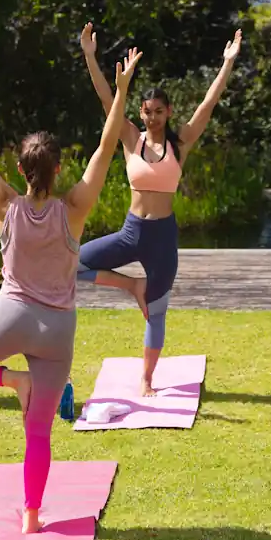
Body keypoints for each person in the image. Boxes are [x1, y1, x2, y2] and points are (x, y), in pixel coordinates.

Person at [0, 29, 140, 534]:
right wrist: (122, 89)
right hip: (57, 334)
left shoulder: (5, 205)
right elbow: (110, 143)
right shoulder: (75, 209)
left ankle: (10, 381)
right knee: (38, 432)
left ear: (20, 169)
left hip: (10, 322)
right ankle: (32, 517)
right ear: (60, 167)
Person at [74, 23, 243, 396]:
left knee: (158, 309)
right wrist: (89, 55)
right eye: (147, 111)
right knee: (69, 263)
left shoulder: (180, 142)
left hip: (162, 237)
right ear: (140, 111)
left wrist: (227, 63)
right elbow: (107, 101)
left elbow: (207, 105)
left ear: (168, 113)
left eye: (159, 112)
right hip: (131, 231)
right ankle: (132, 285)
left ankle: (147, 379)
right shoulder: (130, 137)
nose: (152, 118)